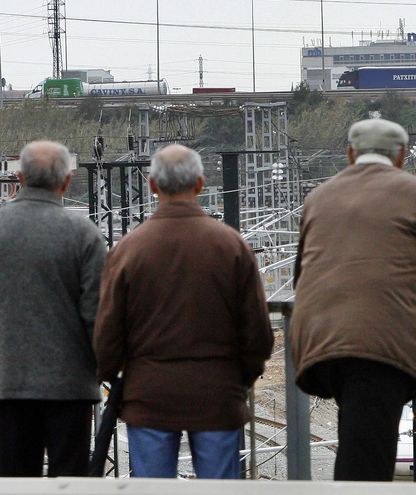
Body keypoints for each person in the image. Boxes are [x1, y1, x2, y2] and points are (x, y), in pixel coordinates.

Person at [94, 144, 274, 479]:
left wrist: (115, 376)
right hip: (217, 394)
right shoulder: (231, 246)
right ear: (200, 184)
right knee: (220, 488)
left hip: (148, 395)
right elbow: (257, 332)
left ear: (152, 186)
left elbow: (108, 331)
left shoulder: (129, 249)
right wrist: (241, 377)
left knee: (151, 487)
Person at [291, 118, 416, 481]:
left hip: (317, 340)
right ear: (401, 156)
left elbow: (301, 275)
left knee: (356, 441)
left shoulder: (318, 196)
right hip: (377, 343)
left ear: (350, 154)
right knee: (367, 466)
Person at [0, 141, 107, 477]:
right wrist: (104, 367)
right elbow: (96, 315)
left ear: (19, 177)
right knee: (69, 480)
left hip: (6, 384)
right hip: (70, 386)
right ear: (67, 181)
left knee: (13, 478)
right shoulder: (84, 235)